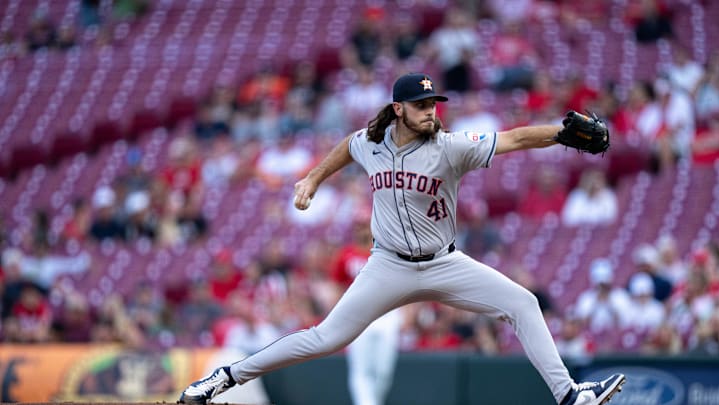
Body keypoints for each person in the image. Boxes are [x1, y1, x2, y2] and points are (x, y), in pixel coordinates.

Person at [178, 73, 625, 405]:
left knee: (523, 303)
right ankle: (223, 379)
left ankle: (570, 396)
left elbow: (514, 138)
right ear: (399, 110)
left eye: (432, 102)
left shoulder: (451, 145)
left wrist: (561, 133)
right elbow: (347, 147)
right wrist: (312, 180)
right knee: (325, 339)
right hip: (388, 265)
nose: (431, 110)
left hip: (445, 263)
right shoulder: (371, 143)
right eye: (421, 104)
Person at [330, 217, 402, 405]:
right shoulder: (346, 254)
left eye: (364, 225)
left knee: (383, 372)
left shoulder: (388, 250)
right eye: (358, 225)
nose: (361, 229)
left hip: (385, 315)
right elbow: (337, 287)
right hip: (357, 316)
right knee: (360, 370)